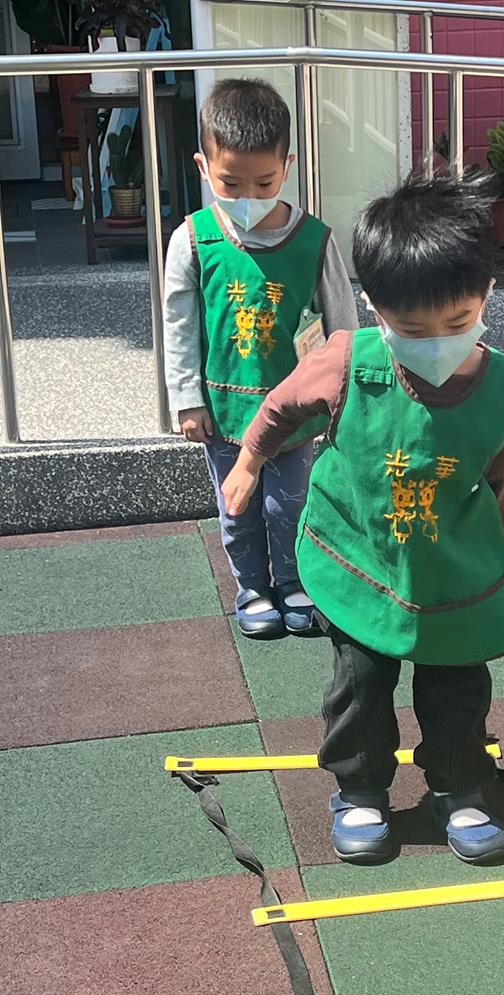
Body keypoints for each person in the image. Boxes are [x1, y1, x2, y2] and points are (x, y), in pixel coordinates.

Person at [222, 175, 504, 866]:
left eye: (458, 322)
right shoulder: (347, 359)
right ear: (374, 305)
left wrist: (490, 557)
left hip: (451, 564)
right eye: (412, 330)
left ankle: (458, 786)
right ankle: (359, 789)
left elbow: (500, 475)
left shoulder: (503, 382)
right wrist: (248, 462)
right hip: (357, 554)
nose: (436, 342)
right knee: (360, 682)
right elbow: (279, 406)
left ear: (485, 294)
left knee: (458, 686)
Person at [163, 77, 358, 639]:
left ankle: (295, 582)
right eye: (230, 182)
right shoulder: (194, 240)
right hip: (224, 409)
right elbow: (179, 325)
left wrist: (346, 396)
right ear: (203, 167)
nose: (248, 195)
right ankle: (252, 586)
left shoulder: (314, 240)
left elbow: (343, 324)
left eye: (264, 182)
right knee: (238, 504)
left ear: (287, 166)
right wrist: (186, 399)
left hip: (295, 412)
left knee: (289, 503)